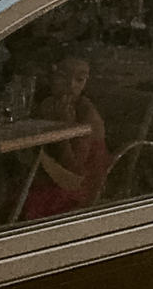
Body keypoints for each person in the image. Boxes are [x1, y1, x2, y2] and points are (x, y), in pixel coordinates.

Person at [22, 55, 111, 222]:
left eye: (80, 79)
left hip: (76, 187)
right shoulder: (47, 104)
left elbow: (73, 171)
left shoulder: (87, 115)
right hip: (43, 173)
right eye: (62, 77)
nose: (71, 85)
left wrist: (64, 131)